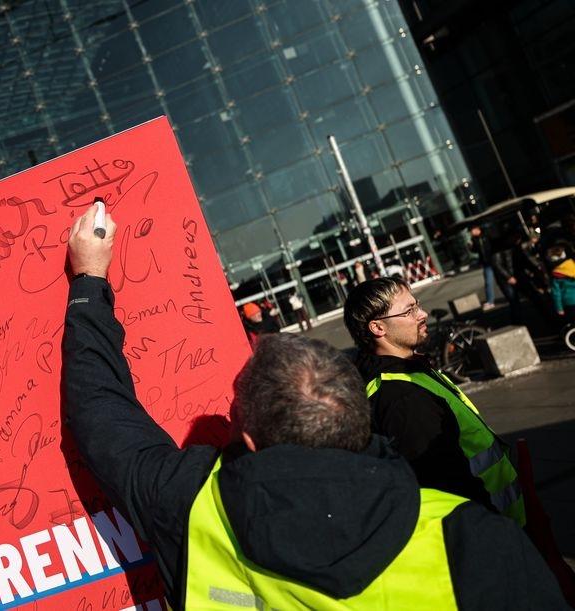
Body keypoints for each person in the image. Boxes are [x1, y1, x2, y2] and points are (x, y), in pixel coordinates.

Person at [63, 205, 563, 610]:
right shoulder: (470, 536)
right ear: (353, 423)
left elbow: (101, 411)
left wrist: (88, 282)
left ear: (253, 441)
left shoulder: (190, 506)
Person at [343, 277, 525, 525]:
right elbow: (445, 485)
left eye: (417, 305)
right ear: (378, 328)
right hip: (494, 533)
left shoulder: (409, 371)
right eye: (409, 311)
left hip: (504, 523)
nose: (423, 313)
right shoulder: (402, 398)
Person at [469, 226, 496, 310]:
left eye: (471, 230)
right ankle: (490, 301)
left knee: (504, 279)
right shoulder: (474, 239)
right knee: (488, 282)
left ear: (477, 229)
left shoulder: (487, 235)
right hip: (486, 263)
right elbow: (476, 250)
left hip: (494, 260)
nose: (471, 232)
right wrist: (470, 247)